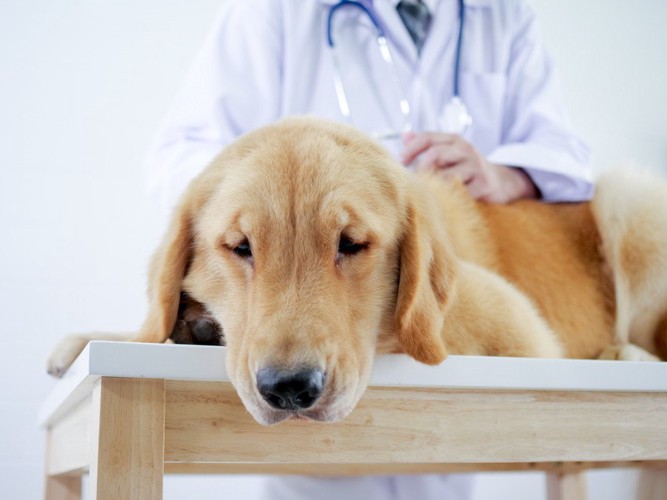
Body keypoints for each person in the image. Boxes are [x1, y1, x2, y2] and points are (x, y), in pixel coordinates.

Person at [143, 1, 593, 498]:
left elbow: (565, 151)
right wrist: (263, 213)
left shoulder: (500, 13)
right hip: (305, 451)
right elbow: (182, 153)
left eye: (350, 242)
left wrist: (507, 173)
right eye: (241, 247)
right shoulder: (276, 11)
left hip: (440, 315)